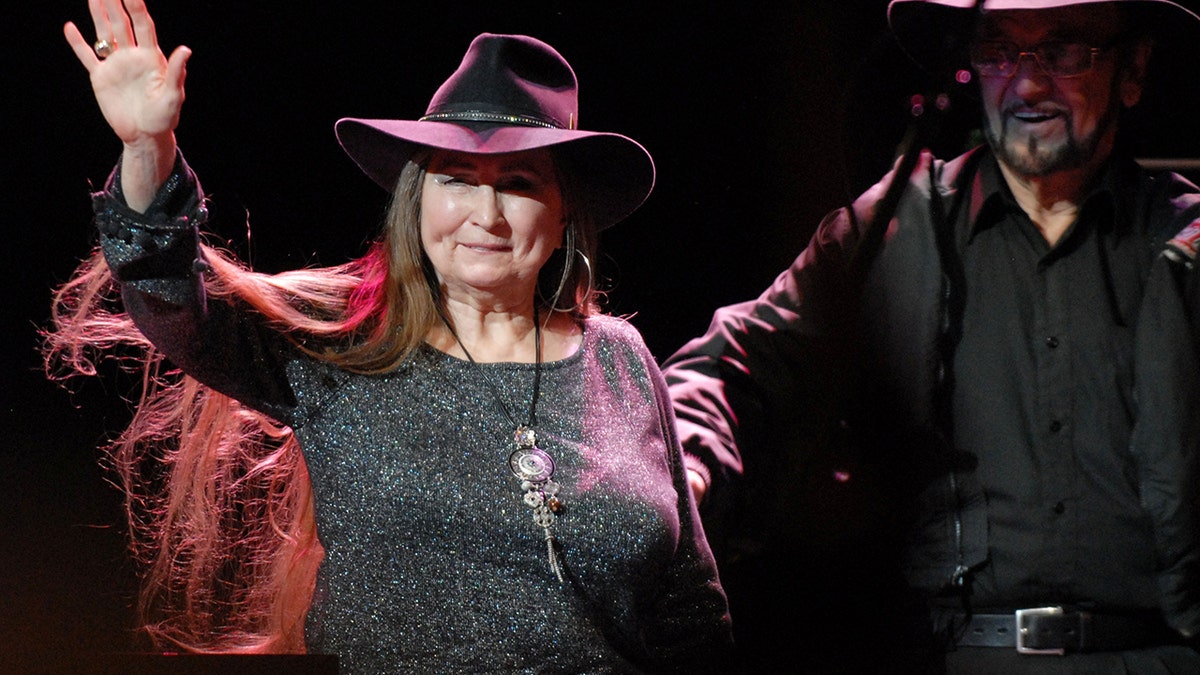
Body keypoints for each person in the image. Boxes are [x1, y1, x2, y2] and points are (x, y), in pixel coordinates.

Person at [45, 1, 733, 671]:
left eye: (518, 183)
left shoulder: (620, 358)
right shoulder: (344, 344)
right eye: (456, 179)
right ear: (417, 201)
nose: (485, 215)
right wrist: (147, 150)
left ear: (563, 218)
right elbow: (172, 303)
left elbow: (691, 612)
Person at [664, 0, 1200, 671]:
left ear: (1133, 67)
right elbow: (736, 367)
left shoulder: (1184, 243)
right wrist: (680, 466)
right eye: (1000, 50)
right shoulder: (895, 227)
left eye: (1063, 50)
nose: (1027, 83)